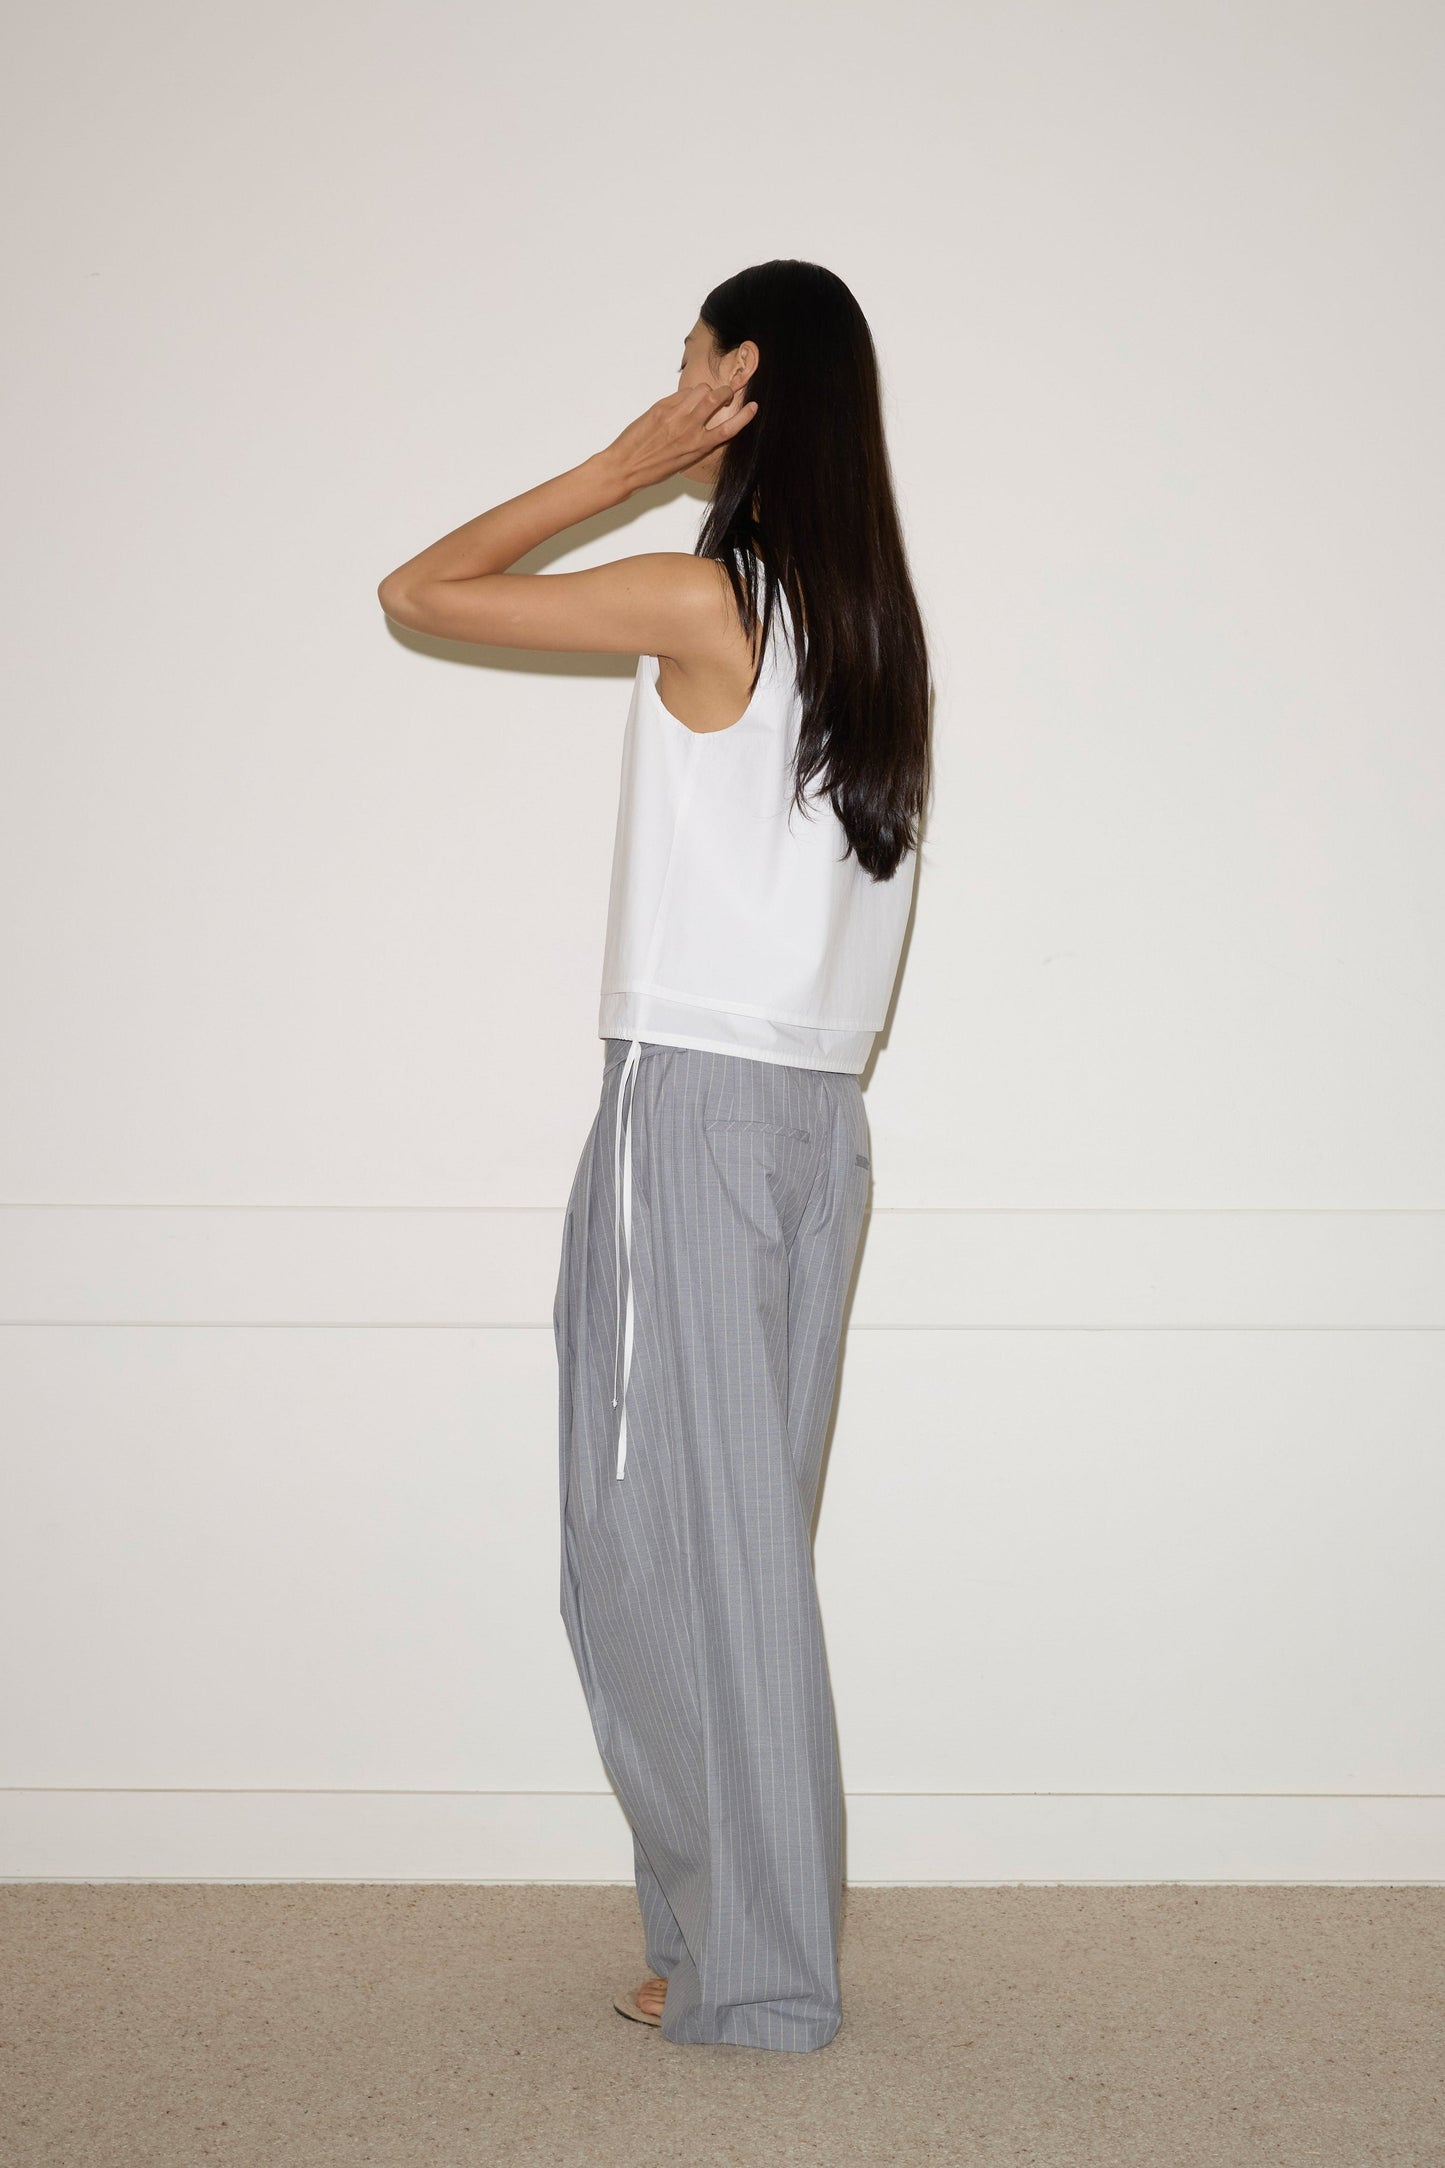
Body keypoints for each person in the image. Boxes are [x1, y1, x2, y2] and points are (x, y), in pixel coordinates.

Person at [377, 258, 931, 2051]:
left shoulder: (712, 596)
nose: (674, 387)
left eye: (690, 365)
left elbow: (420, 591)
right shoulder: (873, 627)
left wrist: (621, 465)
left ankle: (747, 1973)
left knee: (639, 1546)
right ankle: (735, 1951)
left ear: (745, 388)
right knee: (740, 1546)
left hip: (690, 1111)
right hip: (815, 1130)